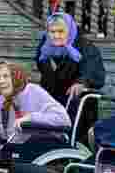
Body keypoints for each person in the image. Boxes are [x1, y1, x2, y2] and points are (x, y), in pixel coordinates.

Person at [34, 11, 105, 145]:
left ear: (70, 30)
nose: (56, 36)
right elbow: (41, 66)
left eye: (61, 31)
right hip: (52, 99)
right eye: (52, 31)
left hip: (75, 102)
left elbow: (93, 70)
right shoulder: (45, 47)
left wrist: (82, 82)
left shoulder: (85, 47)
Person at [0, 61, 70, 140]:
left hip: (46, 144)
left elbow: (64, 120)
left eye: (5, 76)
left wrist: (30, 118)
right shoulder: (2, 100)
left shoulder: (34, 91)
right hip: (15, 147)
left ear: (16, 77)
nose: (0, 81)